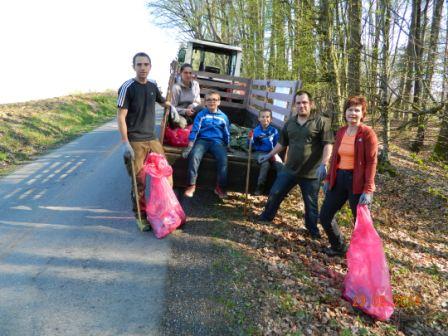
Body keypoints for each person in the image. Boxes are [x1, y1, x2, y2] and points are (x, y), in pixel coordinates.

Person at [258, 90, 334, 239]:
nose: (301, 106)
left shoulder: (322, 122)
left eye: (304, 102)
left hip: (311, 173)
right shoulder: (290, 123)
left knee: (311, 205)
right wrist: (268, 155)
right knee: (275, 193)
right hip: (290, 170)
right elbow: (282, 143)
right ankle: (266, 217)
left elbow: (328, 145)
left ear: (311, 104)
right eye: (298, 103)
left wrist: (324, 164)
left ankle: (313, 231)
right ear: (294, 105)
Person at [117, 52, 172, 232]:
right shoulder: (127, 87)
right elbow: (121, 117)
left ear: (150, 67)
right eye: (139, 64)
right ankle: (140, 216)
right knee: (139, 181)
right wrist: (125, 143)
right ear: (134, 66)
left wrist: (177, 111)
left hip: (152, 140)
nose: (143, 68)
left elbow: (163, 102)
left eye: (146, 64)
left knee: (166, 175)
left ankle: (165, 211)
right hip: (135, 142)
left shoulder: (152, 85)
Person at [320, 96, 378, 256]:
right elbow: (335, 158)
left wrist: (368, 189)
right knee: (325, 216)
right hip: (339, 179)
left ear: (362, 114)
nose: (353, 113)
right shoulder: (341, 131)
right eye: (350, 109)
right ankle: (338, 246)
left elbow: (372, 162)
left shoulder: (368, 134)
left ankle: (362, 258)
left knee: (360, 224)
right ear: (345, 112)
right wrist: (327, 178)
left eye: (357, 110)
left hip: (357, 183)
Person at [182, 91, 230, 199]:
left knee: (223, 160)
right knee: (194, 156)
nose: (211, 102)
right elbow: (195, 130)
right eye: (209, 100)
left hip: (218, 142)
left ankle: (220, 187)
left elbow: (226, 133)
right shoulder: (201, 115)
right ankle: (191, 185)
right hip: (202, 140)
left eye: (214, 99)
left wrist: (227, 145)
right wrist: (190, 146)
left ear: (219, 102)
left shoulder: (223, 117)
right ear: (205, 102)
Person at [249, 109, 283, 195]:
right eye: (263, 117)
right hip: (260, 152)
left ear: (271, 119)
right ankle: (260, 186)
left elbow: (277, 145)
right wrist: (250, 140)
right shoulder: (255, 131)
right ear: (259, 118)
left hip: (272, 152)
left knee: (280, 166)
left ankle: (279, 189)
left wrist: (276, 155)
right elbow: (251, 145)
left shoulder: (274, 131)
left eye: (267, 117)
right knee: (265, 164)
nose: (265, 119)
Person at [170, 63, 203, 128]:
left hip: (192, 111)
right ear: (180, 73)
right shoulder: (176, 88)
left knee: (202, 110)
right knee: (182, 124)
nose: (188, 75)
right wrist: (185, 111)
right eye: (185, 73)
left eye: (190, 73)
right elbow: (172, 107)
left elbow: (198, 101)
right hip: (179, 113)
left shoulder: (195, 85)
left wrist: (192, 105)